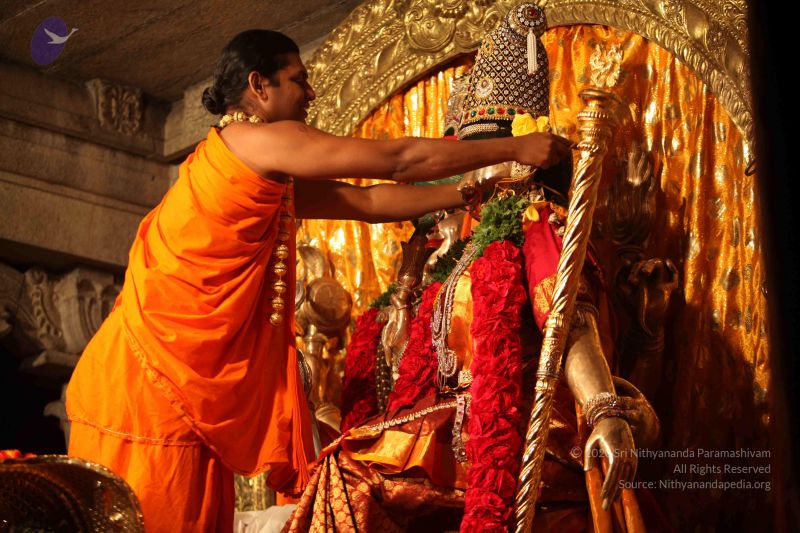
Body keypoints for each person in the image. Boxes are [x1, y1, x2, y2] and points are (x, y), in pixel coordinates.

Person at [64, 29, 571, 532]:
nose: (310, 93)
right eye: (298, 80)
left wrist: (471, 191)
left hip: (172, 391)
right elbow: (399, 161)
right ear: (258, 86)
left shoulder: (253, 167)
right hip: (147, 389)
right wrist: (516, 146)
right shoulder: (254, 141)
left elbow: (368, 202)